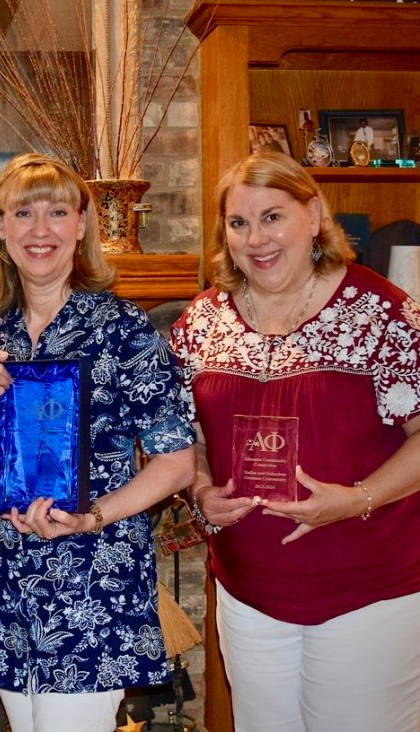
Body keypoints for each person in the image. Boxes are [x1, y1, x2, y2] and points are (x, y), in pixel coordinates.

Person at [0, 153, 196, 732]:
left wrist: (93, 516)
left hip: (93, 575)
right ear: (1, 228)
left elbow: (177, 462)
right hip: (9, 576)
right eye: (23, 213)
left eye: (58, 212)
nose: (40, 231)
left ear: (81, 226)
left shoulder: (123, 329)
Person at [170, 151, 420, 731]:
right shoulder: (204, 321)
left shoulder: (382, 311)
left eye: (273, 216)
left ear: (314, 214)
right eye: (239, 223)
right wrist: (201, 492)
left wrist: (354, 499)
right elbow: (184, 438)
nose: (256, 238)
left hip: (367, 587)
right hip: (247, 589)